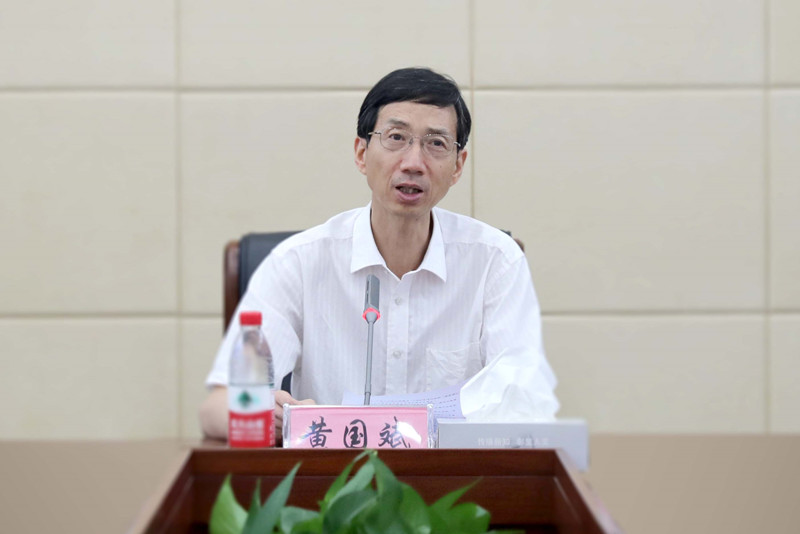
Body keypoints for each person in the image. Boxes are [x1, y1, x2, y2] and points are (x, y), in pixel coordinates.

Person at [199, 67, 558, 440]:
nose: (413, 163)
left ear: (457, 166)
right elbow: (216, 407)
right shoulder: (297, 263)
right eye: (396, 137)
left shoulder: (495, 262)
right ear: (361, 153)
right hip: (335, 475)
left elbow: (526, 403)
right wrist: (262, 413)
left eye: (436, 143)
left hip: (450, 474)